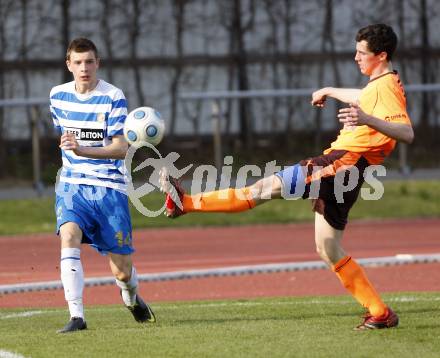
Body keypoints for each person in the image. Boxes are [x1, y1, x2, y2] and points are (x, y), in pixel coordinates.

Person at [160, 24, 413, 330]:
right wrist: (331, 91)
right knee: (328, 247)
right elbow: (364, 95)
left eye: (362, 53)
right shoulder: (380, 83)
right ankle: (380, 312)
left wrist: (366, 119)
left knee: (262, 188)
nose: (356, 57)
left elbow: (406, 132)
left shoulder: (385, 86)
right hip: (349, 174)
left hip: (337, 166)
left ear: (381, 55)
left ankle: (185, 202)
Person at [50, 38, 156, 333]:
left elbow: (122, 149)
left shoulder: (112, 96)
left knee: (121, 271)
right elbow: (63, 136)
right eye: (78, 62)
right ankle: (76, 316)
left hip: (109, 189)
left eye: (89, 62)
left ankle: (131, 296)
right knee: (68, 236)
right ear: (68, 65)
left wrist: (82, 150)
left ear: (98, 63)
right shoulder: (57, 96)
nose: (84, 68)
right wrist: (73, 153)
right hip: (72, 186)